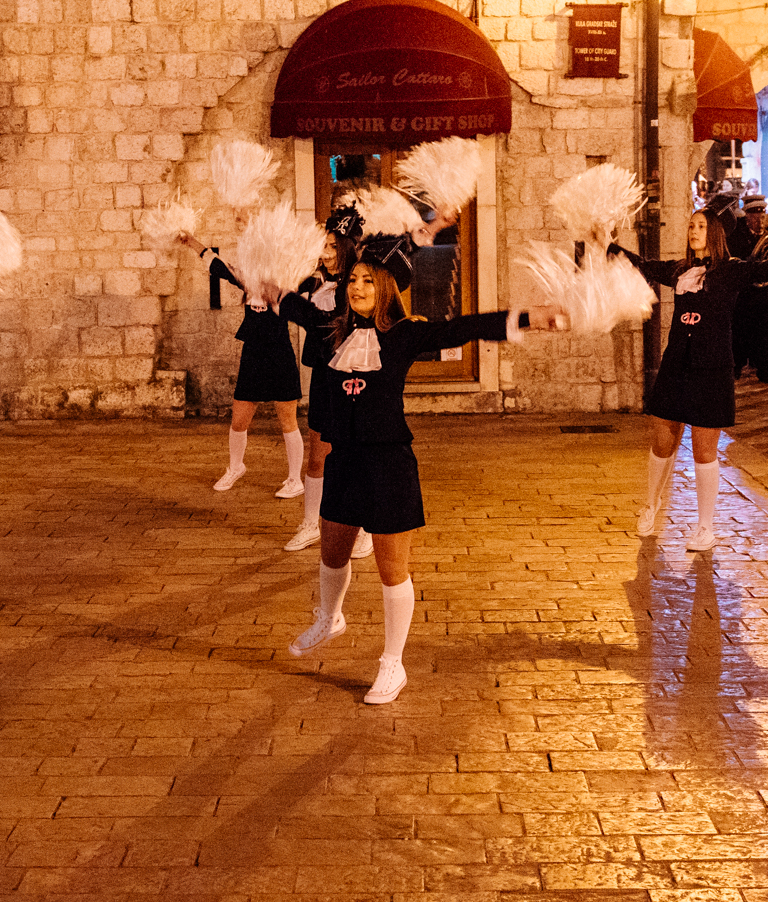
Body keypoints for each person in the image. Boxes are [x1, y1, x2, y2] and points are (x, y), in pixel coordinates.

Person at [285, 235, 565, 705]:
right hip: (344, 461)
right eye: (353, 280)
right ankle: (329, 618)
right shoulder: (330, 329)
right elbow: (291, 305)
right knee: (331, 554)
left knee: (391, 571)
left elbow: (461, 329)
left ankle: (392, 664)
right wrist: (260, 281)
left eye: (368, 281)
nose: (357, 287)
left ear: (385, 289)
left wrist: (528, 317)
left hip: (389, 465)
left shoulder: (403, 334)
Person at [621, 202, 768, 547]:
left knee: (704, 451)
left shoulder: (731, 270)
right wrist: (606, 245)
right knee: (661, 443)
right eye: (692, 226)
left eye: (701, 226)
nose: (694, 232)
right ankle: (650, 505)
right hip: (676, 365)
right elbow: (643, 265)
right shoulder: (679, 270)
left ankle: (705, 528)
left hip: (712, 369)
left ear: (715, 233)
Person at [277, 205, 372, 557]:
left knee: (354, 456)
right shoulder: (313, 281)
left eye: (333, 246)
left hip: (353, 377)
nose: (325, 253)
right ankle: (309, 524)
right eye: (323, 245)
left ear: (347, 248)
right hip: (323, 377)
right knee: (317, 457)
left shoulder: (359, 284)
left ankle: (364, 528)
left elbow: (326, 323)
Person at [194, 237, 306, 496]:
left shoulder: (288, 281)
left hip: (280, 356)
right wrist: (192, 242)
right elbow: (218, 266)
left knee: (288, 420)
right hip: (253, 355)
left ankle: (295, 480)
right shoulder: (247, 279)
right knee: (239, 419)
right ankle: (236, 467)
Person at [731, 195, 768, 383]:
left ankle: (765, 371)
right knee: (741, 331)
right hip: (746, 293)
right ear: (748, 217)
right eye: (756, 218)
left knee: (766, 334)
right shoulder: (737, 236)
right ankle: (737, 366)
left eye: (762, 217)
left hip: (765, 294)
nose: (760, 222)